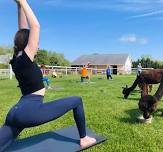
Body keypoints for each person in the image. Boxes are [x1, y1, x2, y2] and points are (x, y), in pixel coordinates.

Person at [0, 1, 96, 151]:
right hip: (29, 111)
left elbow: (22, 30)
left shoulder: (16, 58)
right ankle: (84, 139)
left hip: (15, 113)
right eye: (36, 43)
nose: (37, 46)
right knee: (77, 101)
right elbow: (35, 27)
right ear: (27, 44)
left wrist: (19, 6)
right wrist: (23, 1)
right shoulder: (25, 58)